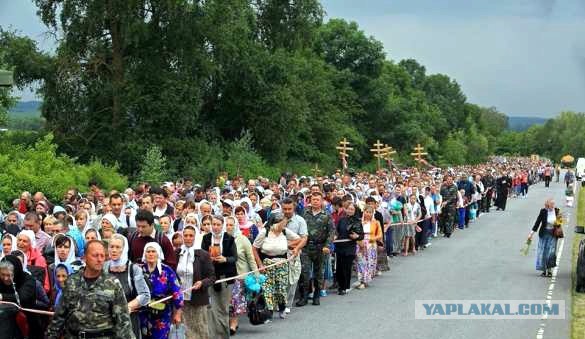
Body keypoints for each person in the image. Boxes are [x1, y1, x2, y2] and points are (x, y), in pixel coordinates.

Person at [47, 240, 136, 339]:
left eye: (102, 256)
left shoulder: (112, 284)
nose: (99, 259)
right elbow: (59, 317)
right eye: (95, 255)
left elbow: (123, 322)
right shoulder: (72, 282)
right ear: (84, 257)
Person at [252, 212, 301, 319]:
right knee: (267, 288)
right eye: (282, 223)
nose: (284, 225)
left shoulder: (284, 231)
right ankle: (268, 311)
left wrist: (287, 245)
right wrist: (260, 264)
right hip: (267, 263)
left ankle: (282, 307)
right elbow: (254, 248)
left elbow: (299, 239)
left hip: (282, 263)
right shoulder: (264, 232)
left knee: (281, 287)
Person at [104, 234, 151, 339]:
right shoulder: (104, 268)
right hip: (107, 323)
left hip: (128, 322)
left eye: (118, 247)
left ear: (124, 249)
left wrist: (126, 307)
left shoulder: (133, 269)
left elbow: (145, 295)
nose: (114, 250)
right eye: (111, 247)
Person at [201, 215, 237, 339]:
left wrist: (224, 259)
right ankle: (213, 336)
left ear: (223, 225)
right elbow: (202, 255)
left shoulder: (229, 238)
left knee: (223, 308)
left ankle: (223, 335)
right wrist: (208, 259)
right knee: (211, 309)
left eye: (218, 224)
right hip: (211, 277)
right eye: (214, 224)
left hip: (225, 278)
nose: (215, 227)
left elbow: (234, 258)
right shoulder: (206, 238)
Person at [176, 225, 215, 339]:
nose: (188, 238)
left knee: (200, 329)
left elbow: (212, 277)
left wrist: (202, 283)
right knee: (185, 329)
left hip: (197, 298)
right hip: (181, 298)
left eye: (191, 236)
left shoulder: (203, 254)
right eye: (186, 235)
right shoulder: (177, 253)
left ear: (195, 237)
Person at [139, 242, 183, 339]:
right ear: (144, 254)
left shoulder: (167, 271)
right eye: (148, 252)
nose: (151, 254)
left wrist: (178, 313)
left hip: (162, 313)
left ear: (158, 253)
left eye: (153, 251)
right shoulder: (139, 270)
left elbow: (177, 292)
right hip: (143, 313)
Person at [297, 192, 333, 306]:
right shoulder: (304, 214)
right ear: (310, 201)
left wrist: (327, 245)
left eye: (317, 199)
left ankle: (317, 295)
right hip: (306, 247)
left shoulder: (326, 215)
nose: (315, 201)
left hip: (320, 247)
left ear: (321, 201)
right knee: (305, 272)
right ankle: (304, 296)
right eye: (313, 199)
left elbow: (331, 232)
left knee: (319, 273)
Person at [225, 216, 257, 334]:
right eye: (226, 224)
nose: (228, 227)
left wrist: (256, 274)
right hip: (225, 276)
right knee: (226, 301)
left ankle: (233, 323)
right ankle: (227, 322)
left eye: (231, 225)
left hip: (239, 275)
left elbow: (251, 258)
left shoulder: (243, 239)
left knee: (234, 300)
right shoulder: (221, 239)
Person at [281, 198, 307, 313]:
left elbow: (304, 238)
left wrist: (295, 247)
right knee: (280, 278)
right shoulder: (277, 219)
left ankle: (287, 304)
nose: (287, 211)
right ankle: (278, 302)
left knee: (292, 280)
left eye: (289, 209)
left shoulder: (300, 221)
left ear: (294, 208)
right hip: (278, 253)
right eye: (284, 209)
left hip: (293, 253)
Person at [334, 202, 363, 295]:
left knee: (346, 267)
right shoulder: (342, 220)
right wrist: (335, 237)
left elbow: (361, 235)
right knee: (339, 267)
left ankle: (344, 287)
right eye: (348, 209)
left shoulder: (357, 221)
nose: (350, 211)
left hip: (350, 247)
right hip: (340, 246)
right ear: (345, 209)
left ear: (355, 211)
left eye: (352, 209)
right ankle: (339, 284)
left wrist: (357, 236)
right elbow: (337, 231)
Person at [528, 199, 561, 277]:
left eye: (554, 204)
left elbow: (560, 223)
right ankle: (544, 270)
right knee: (543, 252)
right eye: (551, 204)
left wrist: (559, 222)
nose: (553, 206)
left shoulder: (557, 211)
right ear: (547, 205)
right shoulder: (543, 211)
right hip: (544, 234)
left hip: (553, 234)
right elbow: (537, 222)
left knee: (551, 252)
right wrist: (531, 233)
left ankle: (549, 270)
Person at [356, 206, 382, 288]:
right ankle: (361, 280)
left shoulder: (376, 222)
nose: (368, 214)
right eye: (366, 212)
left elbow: (380, 235)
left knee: (369, 262)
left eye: (370, 212)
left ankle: (365, 280)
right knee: (360, 262)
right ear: (364, 212)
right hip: (360, 243)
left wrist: (372, 238)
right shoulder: (359, 222)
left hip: (371, 244)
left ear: (372, 214)